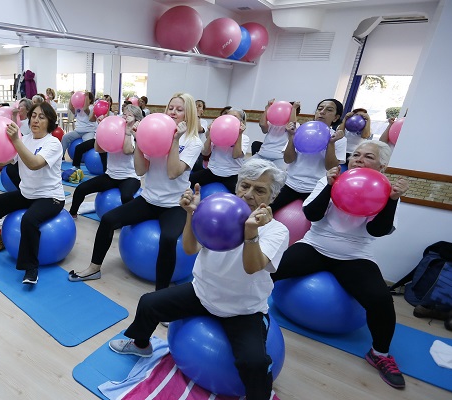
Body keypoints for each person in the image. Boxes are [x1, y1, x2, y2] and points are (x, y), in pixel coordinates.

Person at [108, 158, 289, 400]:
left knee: (254, 363)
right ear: (236, 186)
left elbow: (252, 266)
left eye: (259, 190)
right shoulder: (217, 211)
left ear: (273, 197)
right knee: (148, 303)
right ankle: (142, 345)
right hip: (202, 294)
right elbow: (191, 248)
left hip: (243, 309)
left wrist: (251, 231)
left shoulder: (277, 230)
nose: (248, 194)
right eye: (245, 186)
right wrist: (192, 215)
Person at [271, 140, 409, 389]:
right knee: (267, 269)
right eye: (356, 154)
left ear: (382, 166)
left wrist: (391, 201)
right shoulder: (330, 179)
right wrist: (330, 186)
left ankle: (379, 355)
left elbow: (377, 230)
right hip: (315, 246)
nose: (359, 159)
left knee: (381, 300)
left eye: (368, 156)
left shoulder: (385, 190)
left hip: (355, 256)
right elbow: (311, 215)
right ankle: (245, 311)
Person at [68, 93, 202, 291]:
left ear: (188, 114)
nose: (173, 112)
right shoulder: (155, 132)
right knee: (107, 220)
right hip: (148, 200)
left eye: (179, 109)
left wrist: (175, 141)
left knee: (168, 239)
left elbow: (173, 172)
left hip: (174, 205)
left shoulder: (192, 142)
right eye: (171, 108)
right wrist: (138, 138)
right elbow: (140, 170)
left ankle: (161, 295)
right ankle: (94, 268)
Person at [0, 102, 65, 285]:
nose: (35, 120)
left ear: (50, 121)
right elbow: (9, 160)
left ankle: (31, 268)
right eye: (33, 115)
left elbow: (34, 164)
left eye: (41, 117)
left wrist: (16, 141)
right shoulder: (25, 138)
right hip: (27, 194)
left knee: (29, 220)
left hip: (50, 197)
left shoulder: (53, 143)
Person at [270, 99, 346, 213]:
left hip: (315, 187)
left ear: (335, 118)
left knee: (314, 217)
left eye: (329, 110)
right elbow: (288, 159)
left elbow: (330, 167)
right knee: (268, 209)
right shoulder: (300, 131)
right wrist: (292, 137)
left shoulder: (339, 139)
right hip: (290, 183)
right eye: (320, 109)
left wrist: (331, 143)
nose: (322, 112)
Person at [68, 104, 142, 218]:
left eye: (130, 115)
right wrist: (101, 128)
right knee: (80, 189)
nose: (125, 117)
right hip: (111, 175)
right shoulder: (114, 132)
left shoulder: (136, 136)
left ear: (137, 120)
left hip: (130, 177)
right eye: (124, 114)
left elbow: (128, 150)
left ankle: (131, 221)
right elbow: (98, 149)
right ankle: (72, 214)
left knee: (126, 197)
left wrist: (128, 131)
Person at [189, 108, 250, 194]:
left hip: (232, 175)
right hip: (212, 172)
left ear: (241, 122)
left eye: (234, 117)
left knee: (242, 195)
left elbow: (236, 155)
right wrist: (211, 132)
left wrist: (239, 134)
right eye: (227, 116)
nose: (229, 119)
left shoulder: (244, 138)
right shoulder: (218, 134)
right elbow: (205, 152)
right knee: (187, 182)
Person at [255, 99, 299, 169]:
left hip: (279, 158)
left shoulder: (296, 125)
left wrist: (294, 108)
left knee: (277, 176)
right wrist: (267, 107)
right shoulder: (273, 123)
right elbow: (262, 125)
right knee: (246, 169)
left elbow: (291, 126)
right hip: (262, 154)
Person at [60, 91, 97, 160]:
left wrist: (86, 96)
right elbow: (71, 108)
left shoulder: (92, 108)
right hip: (78, 131)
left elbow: (86, 109)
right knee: (65, 137)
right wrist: (72, 97)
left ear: (90, 100)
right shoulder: (78, 108)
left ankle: (88, 160)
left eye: (86, 98)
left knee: (89, 145)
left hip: (88, 132)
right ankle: (60, 157)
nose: (83, 99)